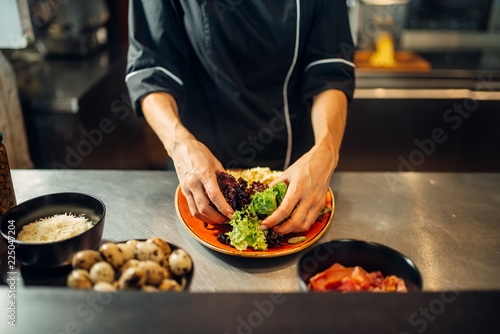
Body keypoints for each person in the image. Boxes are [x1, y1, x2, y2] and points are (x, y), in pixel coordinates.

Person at [126, 0, 355, 234]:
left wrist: (327, 150)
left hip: (296, 171)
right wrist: (178, 143)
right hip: (197, 169)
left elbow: (329, 71)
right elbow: (151, 70)